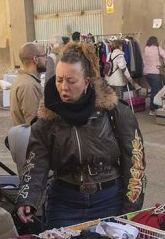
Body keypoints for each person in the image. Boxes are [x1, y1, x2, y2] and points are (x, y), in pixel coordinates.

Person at [16, 42, 146, 228]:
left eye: (71, 81)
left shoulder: (114, 111)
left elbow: (134, 161)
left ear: (86, 82)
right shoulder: (47, 117)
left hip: (109, 201)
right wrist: (27, 199)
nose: (63, 87)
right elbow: (36, 163)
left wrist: (130, 209)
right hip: (65, 204)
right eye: (59, 80)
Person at [10, 42, 46, 125]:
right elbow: (33, 122)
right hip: (30, 136)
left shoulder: (22, 79)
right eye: (44, 56)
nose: (46, 59)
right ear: (35, 59)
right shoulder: (29, 86)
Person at [143, 36, 165, 116]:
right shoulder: (158, 48)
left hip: (146, 73)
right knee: (155, 91)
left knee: (154, 90)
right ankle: (153, 109)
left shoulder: (146, 48)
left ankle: (157, 106)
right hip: (155, 72)